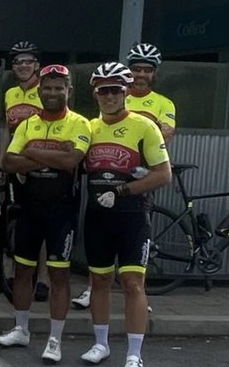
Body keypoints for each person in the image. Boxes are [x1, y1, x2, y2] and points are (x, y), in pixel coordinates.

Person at [0, 64, 91, 363]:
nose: (52, 92)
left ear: (69, 91)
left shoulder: (80, 123)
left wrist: (31, 154)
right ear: (39, 91)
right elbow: (8, 161)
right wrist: (51, 158)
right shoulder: (28, 124)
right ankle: (21, 329)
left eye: (58, 87)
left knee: (59, 274)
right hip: (30, 208)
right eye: (47, 88)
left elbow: (73, 160)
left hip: (62, 210)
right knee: (22, 270)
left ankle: (54, 340)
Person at [79, 62, 171, 367]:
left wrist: (123, 190)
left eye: (114, 90)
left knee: (132, 284)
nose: (108, 96)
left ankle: (134, 354)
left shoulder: (145, 127)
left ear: (125, 92)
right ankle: (101, 344)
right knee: (100, 281)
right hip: (97, 217)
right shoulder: (89, 128)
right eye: (102, 90)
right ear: (95, 94)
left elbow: (163, 175)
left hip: (133, 217)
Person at [73, 43, 177, 310]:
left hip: (142, 171)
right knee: (101, 249)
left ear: (154, 73)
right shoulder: (113, 94)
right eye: (137, 68)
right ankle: (91, 288)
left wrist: (140, 155)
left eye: (147, 70)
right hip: (112, 174)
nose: (141, 74)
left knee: (134, 239)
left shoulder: (163, 103)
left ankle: (137, 294)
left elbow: (164, 132)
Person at [3, 41, 51, 303]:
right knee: (16, 218)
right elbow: (7, 131)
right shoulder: (10, 94)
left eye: (28, 61)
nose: (23, 66)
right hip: (15, 164)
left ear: (37, 66)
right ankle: (15, 274)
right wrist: (1, 164)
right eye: (18, 62)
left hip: (38, 164)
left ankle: (42, 278)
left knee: (39, 221)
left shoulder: (45, 91)